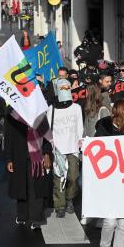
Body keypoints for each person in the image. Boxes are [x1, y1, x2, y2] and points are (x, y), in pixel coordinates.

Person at [95, 100, 124, 247]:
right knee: (110, 222)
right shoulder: (103, 129)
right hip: (108, 184)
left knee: (123, 223)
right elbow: (95, 150)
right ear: (123, 113)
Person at [5, 108, 52, 230]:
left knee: (35, 187)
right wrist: (9, 158)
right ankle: (22, 216)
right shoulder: (12, 113)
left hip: (37, 155)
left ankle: (36, 218)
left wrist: (47, 153)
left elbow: (46, 134)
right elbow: (8, 136)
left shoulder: (39, 112)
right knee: (21, 186)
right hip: (18, 155)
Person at [47, 79, 83, 218]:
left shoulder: (76, 108)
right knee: (58, 179)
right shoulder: (52, 109)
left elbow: (80, 126)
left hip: (73, 148)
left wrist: (79, 142)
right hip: (58, 150)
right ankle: (60, 205)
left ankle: (69, 198)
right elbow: (49, 129)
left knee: (73, 177)